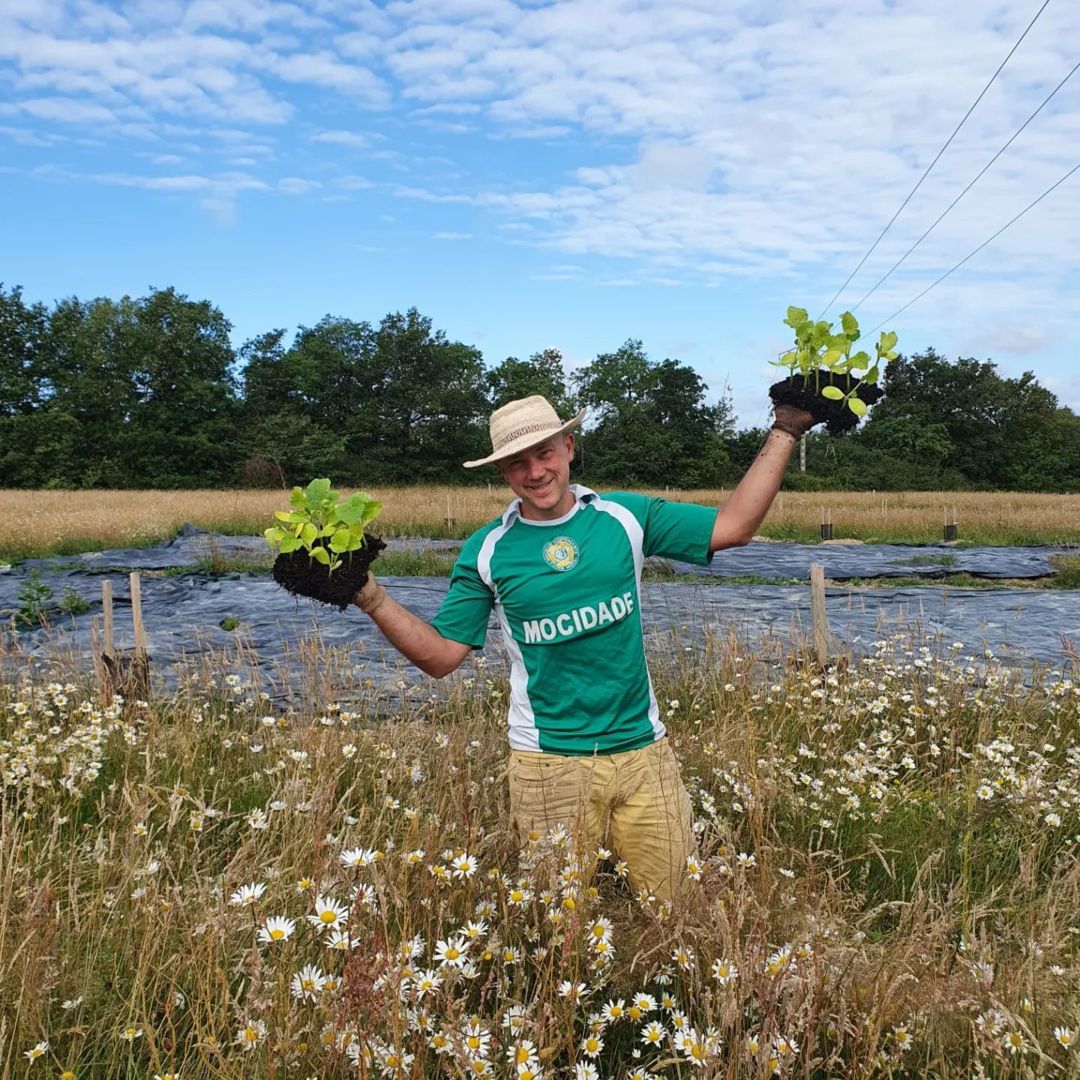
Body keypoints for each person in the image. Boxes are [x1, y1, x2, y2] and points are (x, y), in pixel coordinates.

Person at [353, 395, 818, 900]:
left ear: (568, 447)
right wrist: (369, 596)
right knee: (559, 928)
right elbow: (441, 657)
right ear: (503, 473)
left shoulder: (625, 517)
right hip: (547, 765)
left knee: (678, 908)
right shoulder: (488, 550)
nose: (535, 471)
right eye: (517, 463)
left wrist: (786, 430)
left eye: (545, 452)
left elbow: (735, 527)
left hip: (644, 753)